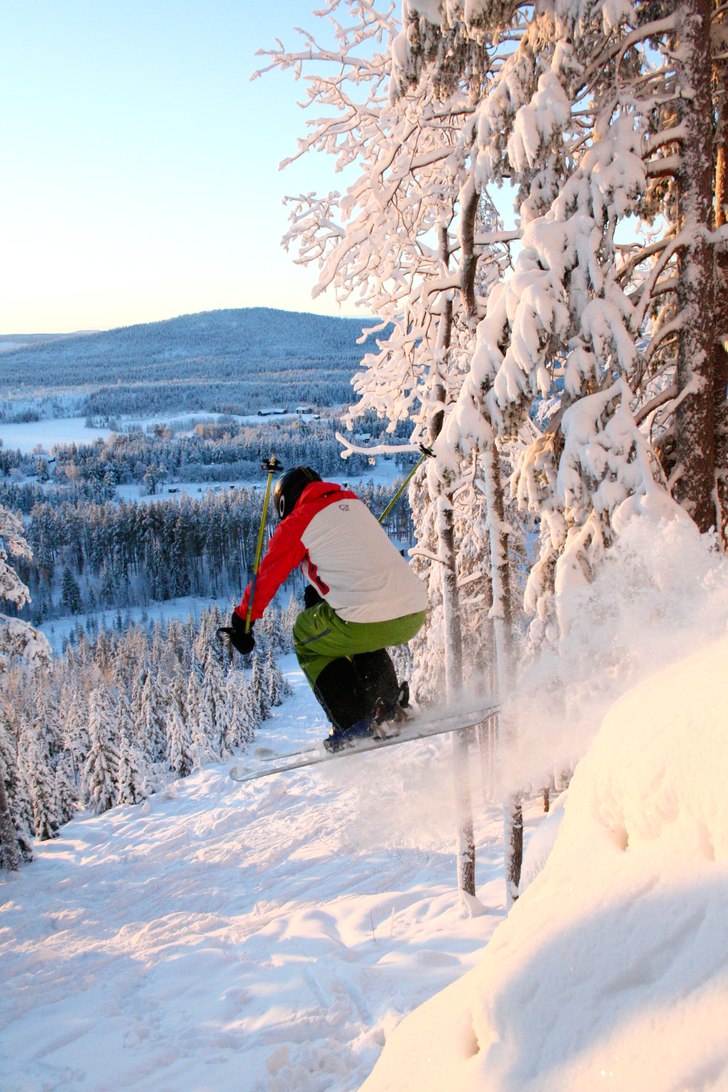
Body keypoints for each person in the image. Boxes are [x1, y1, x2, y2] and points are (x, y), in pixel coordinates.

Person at [220, 466, 427, 750]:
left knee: (306, 638)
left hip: (365, 618)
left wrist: (242, 621)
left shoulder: (298, 521)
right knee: (358, 630)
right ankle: (388, 708)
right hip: (414, 611)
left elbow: (268, 576)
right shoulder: (351, 503)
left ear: (285, 503)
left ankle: (353, 720)